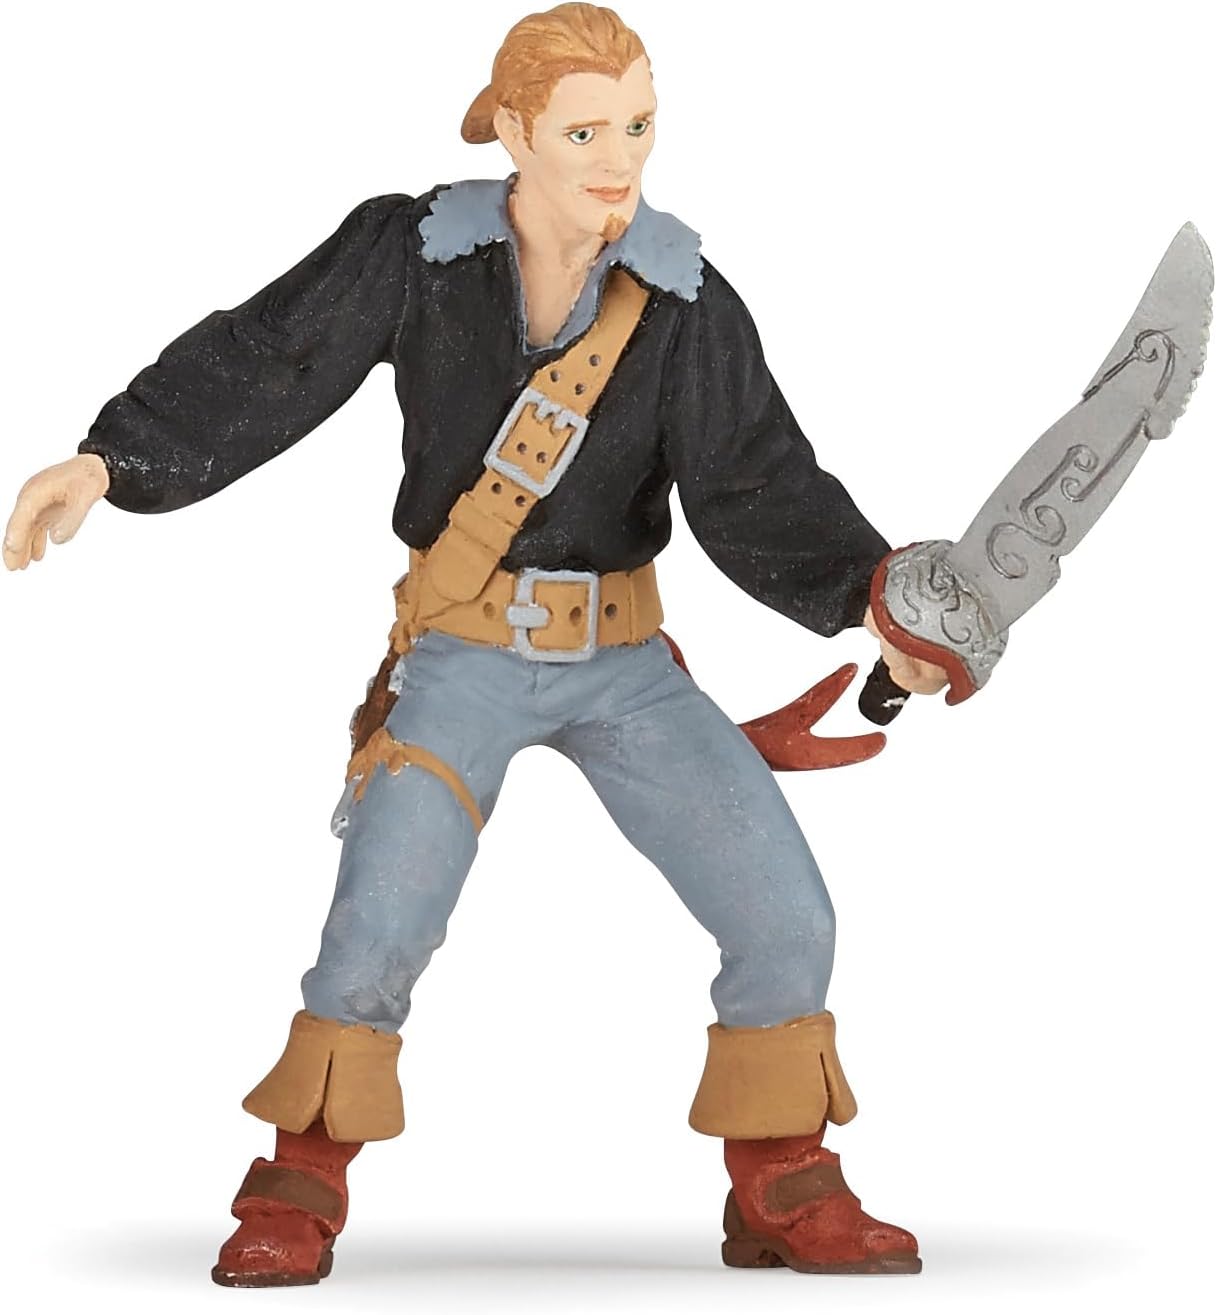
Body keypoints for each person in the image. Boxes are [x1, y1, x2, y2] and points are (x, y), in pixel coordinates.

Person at [2, 2, 947, 1286]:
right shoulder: (414, 253)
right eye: (584, 131)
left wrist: (874, 598)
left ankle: (779, 1177)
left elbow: (755, 484)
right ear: (512, 129)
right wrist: (113, 462)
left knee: (783, 909)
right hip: (462, 650)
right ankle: (298, 1183)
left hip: (626, 664)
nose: (618, 157)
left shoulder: (683, 300)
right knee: (378, 922)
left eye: (639, 125)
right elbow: (269, 357)